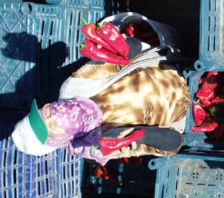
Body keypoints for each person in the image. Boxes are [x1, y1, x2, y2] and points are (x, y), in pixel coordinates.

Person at [11, 37, 191, 164]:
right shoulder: (98, 145)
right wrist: (141, 135)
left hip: (175, 68)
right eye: (51, 126)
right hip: (185, 114)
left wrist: (122, 46)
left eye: (45, 113)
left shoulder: (74, 88)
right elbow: (174, 142)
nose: (53, 116)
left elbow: (118, 60)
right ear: (60, 140)